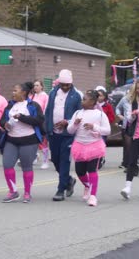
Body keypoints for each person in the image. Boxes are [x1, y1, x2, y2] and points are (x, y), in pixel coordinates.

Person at [0, 82, 44, 203]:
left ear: (23, 92)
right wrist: (5, 124)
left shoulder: (33, 105)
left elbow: (39, 120)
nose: (13, 93)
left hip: (29, 140)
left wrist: (22, 117)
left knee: (26, 167)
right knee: (7, 164)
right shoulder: (10, 105)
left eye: (15, 91)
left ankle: (27, 193)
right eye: (13, 91)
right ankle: (13, 191)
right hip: (11, 140)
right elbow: (2, 119)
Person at [67, 90, 111, 206]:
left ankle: (93, 196)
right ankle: (87, 185)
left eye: (85, 99)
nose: (82, 101)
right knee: (80, 171)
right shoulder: (77, 113)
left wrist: (94, 127)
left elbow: (107, 130)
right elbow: (69, 130)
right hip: (79, 145)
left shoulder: (100, 114)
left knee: (92, 170)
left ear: (92, 102)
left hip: (94, 146)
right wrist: (75, 124)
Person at [45, 69, 82, 201]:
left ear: (71, 83)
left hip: (68, 134)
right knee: (55, 160)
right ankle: (69, 180)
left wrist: (68, 121)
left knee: (64, 160)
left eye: (68, 85)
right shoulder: (53, 93)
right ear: (59, 83)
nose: (65, 87)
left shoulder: (76, 95)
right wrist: (47, 128)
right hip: (53, 132)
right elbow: (48, 111)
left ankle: (61, 189)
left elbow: (80, 114)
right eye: (63, 85)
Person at [31, 79, 50, 169]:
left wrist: (43, 120)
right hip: (33, 121)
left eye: (37, 85)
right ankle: (34, 156)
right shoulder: (32, 96)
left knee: (43, 142)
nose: (35, 87)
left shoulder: (45, 96)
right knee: (33, 141)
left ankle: (45, 161)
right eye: (34, 85)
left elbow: (46, 109)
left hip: (41, 121)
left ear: (42, 86)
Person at [115, 85, 135, 169]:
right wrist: (119, 115)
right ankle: (126, 163)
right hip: (126, 125)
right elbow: (118, 108)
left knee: (134, 145)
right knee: (127, 145)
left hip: (137, 125)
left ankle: (132, 162)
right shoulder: (125, 99)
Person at [96, 88, 116, 168]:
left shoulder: (107, 106)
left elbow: (112, 117)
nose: (98, 97)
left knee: (101, 144)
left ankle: (100, 158)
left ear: (104, 97)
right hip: (94, 128)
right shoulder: (93, 105)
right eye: (97, 95)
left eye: (100, 95)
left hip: (103, 129)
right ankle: (94, 159)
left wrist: (105, 120)